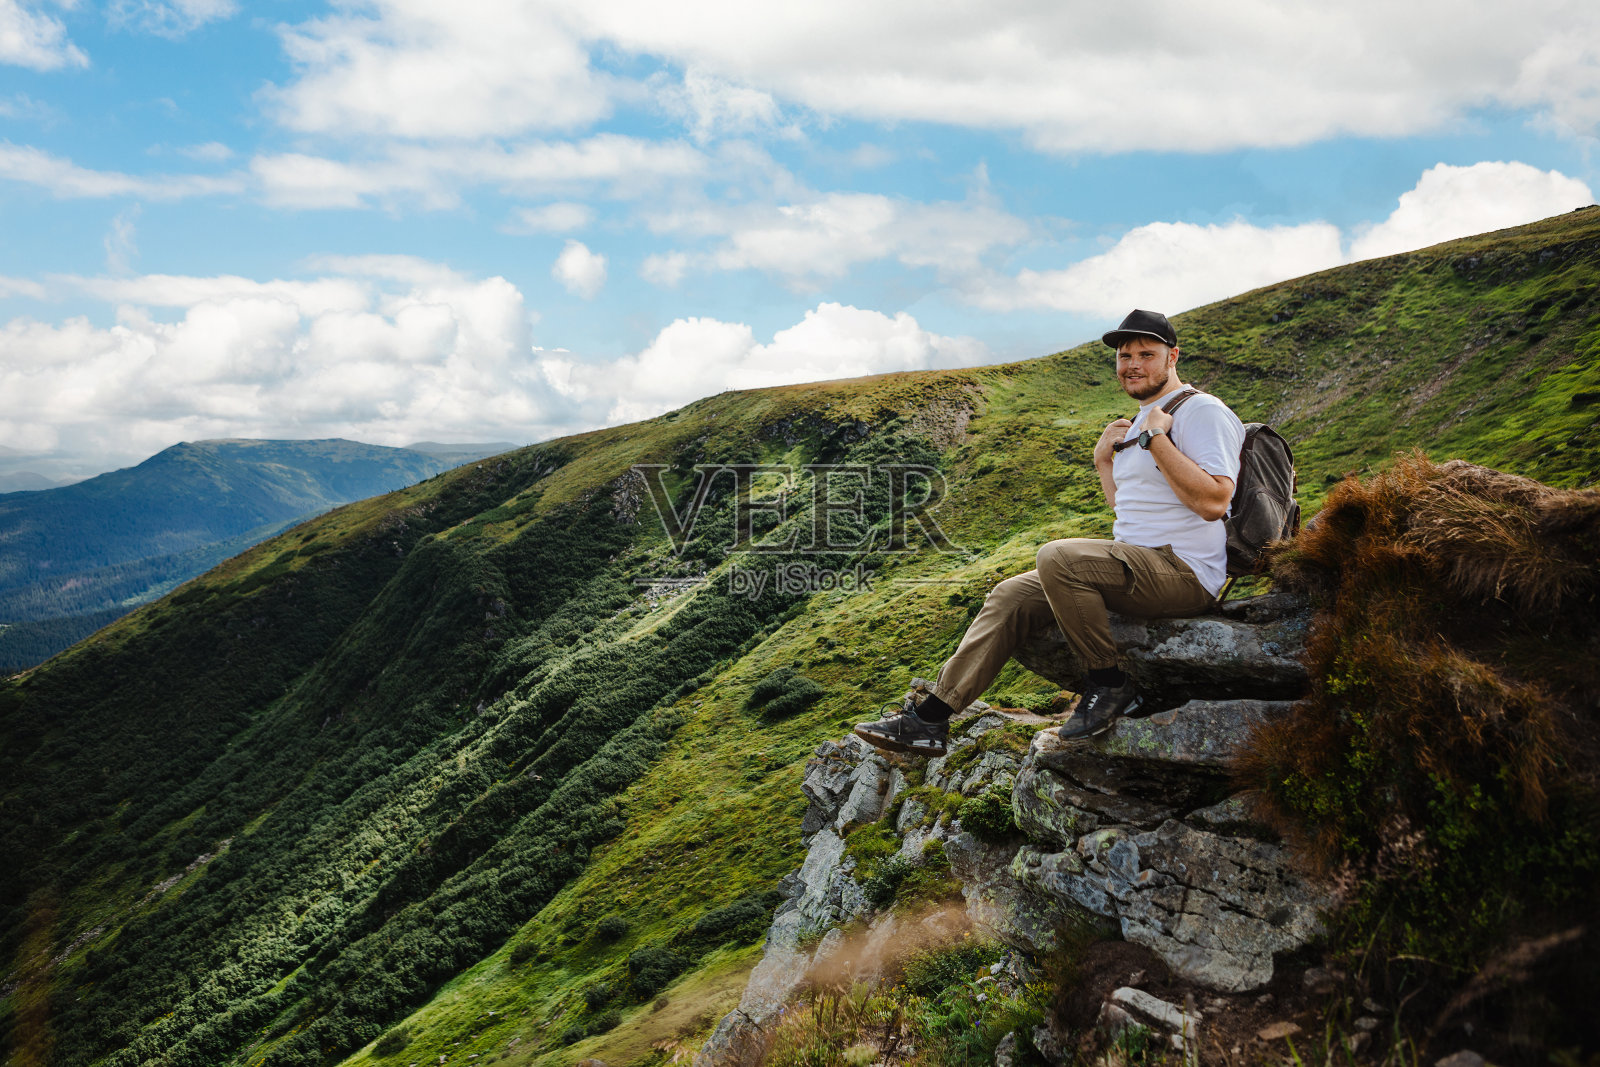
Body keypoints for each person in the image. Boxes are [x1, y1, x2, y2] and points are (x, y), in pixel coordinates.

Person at [855, 309, 1245, 757]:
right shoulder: (1142, 421)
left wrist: (1157, 439)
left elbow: (1214, 502)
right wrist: (1104, 461)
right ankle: (929, 720)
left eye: (1146, 354)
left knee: (1058, 557)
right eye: (1124, 356)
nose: (1132, 364)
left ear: (1172, 356)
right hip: (1139, 561)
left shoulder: (1202, 411)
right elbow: (1134, 510)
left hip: (1186, 573)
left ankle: (1108, 682)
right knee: (1011, 594)